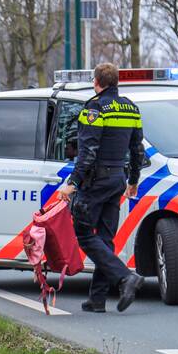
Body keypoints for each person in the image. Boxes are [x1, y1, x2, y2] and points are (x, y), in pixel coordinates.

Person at [58, 63, 145, 313]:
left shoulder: (94, 108)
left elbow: (87, 153)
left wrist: (72, 183)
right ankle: (97, 299)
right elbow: (137, 149)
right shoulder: (131, 108)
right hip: (118, 178)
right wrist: (133, 181)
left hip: (95, 182)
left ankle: (125, 277)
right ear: (116, 82)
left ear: (97, 82)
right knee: (105, 239)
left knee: (84, 234)